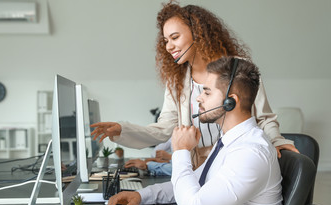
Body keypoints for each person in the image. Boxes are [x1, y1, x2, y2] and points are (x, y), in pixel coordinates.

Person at [91, 1, 298, 169]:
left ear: (197, 33)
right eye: (165, 40)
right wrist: (121, 129)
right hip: (196, 165)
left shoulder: (237, 68)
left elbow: (264, 117)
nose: (169, 46)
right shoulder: (178, 80)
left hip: (234, 159)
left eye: (174, 37)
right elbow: (164, 129)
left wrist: (277, 141)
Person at [107, 57, 282, 205]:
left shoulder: (250, 153)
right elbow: (194, 183)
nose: (199, 98)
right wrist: (141, 196)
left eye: (207, 92)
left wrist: (181, 150)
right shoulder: (229, 142)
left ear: (230, 102)